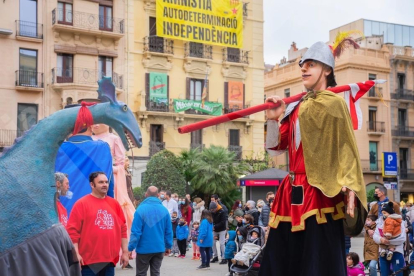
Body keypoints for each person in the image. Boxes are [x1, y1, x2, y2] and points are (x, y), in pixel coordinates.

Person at [260, 40, 368, 276]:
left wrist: (350, 187)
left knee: (319, 261)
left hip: (321, 192)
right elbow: (276, 148)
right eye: (302, 65)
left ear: (327, 70)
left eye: (310, 64)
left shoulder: (335, 104)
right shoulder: (296, 106)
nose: (303, 69)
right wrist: (272, 119)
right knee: (281, 258)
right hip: (289, 192)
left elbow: (346, 148)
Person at [55, 104, 114, 216]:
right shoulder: (103, 148)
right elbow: (109, 186)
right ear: (90, 126)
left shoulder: (57, 149)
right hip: (95, 217)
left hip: (62, 218)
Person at [67, 172, 129, 275]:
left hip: (110, 261)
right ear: (92, 184)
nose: (105, 184)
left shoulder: (115, 204)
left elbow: (123, 229)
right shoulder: (81, 204)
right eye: (101, 182)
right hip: (88, 262)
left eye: (106, 182)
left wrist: (125, 252)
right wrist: (76, 253)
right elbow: (73, 232)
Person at [128, 186, 173, 276]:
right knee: (156, 272)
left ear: (146, 194)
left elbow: (136, 232)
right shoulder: (164, 210)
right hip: (159, 248)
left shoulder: (140, 210)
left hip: (144, 249)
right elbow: (168, 231)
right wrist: (168, 246)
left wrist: (130, 248)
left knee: (141, 273)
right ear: (158, 195)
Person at [373, 203, 406, 276]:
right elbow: (375, 236)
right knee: (384, 273)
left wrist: (387, 241)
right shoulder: (379, 222)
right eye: (382, 213)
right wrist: (381, 239)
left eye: (385, 213)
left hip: (397, 251)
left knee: (398, 273)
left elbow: (402, 238)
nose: (383, 214)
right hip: (383, 252)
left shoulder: (399, 222)